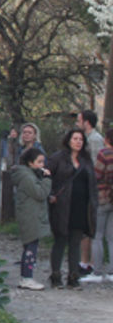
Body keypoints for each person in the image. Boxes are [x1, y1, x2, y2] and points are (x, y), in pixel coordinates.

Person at [45, 127, 98, 290]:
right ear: (68, 140)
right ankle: (55, 276)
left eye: (81, 139)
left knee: (76, 241)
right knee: (60, 239)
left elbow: (92, 183)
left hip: (81, 205)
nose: (78, 142)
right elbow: (46, 177)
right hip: (61, 205)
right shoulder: (57, 158)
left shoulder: (86, 160)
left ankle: (73, 276)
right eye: (75, 139)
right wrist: (51, 195)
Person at [11, 147, 52, 290]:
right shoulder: (27, 177)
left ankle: (27, 276)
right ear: (30, 163)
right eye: (39, 162)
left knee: (31, 246)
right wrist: (47, 180)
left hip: (31, 214)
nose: (42, 165)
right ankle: (26, 277)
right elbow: (40, 193)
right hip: (30, 216)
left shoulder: (28, 175)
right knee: (30, 247)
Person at [0, 122, 45, 222]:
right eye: (24, 132)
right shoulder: (20, 149)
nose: (26, 134)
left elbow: (41, 168)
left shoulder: (38, 149)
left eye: (29, 132)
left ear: (35, 135)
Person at [76, 110, 104, 277]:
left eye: (79, 120)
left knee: (92, 226)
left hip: (92, 189)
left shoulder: (95, 140)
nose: (77, 123)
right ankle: (84, 261)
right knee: (84, 226)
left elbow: (96, 165)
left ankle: (92, 263)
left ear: (86, 122)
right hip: (84, 187)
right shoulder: (84, 139)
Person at [86, 128, 113, 283]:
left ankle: (97, 271)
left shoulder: (104, 154)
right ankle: (111, 271)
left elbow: (96, 175)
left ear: (107, 139)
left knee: (97, 236)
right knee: (111, 238)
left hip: (103, 197)